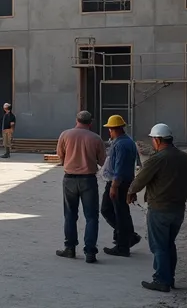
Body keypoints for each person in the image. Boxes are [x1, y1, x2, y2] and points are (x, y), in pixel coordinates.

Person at [128, 123, 187, 293]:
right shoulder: (185, 157)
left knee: (159, 246)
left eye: (153, 139)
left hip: (160, 208)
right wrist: (181, 189)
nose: (153, 142)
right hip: (178, 209)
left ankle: (161, 280)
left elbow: (141, 179)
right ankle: (170, 278)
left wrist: (131, 192)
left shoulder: (158, 158)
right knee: (169, 244)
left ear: (158, 140)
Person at [55, 110, 106, 263]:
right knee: (91, 217)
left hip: (69, 179)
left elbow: (60, 155)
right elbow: (102, 161)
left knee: (70, 215)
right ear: (91, 123)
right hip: (88, 180)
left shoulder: (65, 135)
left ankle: (70, 248)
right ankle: (90, 252)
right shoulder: (96, 138)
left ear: (76, 120)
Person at [100, 115, 141, 257]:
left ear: (114, 129)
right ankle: (128, 236)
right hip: (124, 181)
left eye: (110, 129)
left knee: (118, 212)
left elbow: (120, 167)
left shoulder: (121, 144)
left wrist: (114, 186)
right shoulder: (128, 141)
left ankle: (123, 245)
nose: (109, 132)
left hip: (118, 183)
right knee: (116, 211)